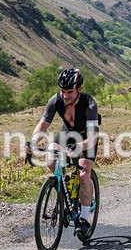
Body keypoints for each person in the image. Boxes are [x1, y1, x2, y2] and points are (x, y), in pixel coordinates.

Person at [26, 68, 100, 235]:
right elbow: (43, 125)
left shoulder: (90, 104)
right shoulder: (55, 100)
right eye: (62, 91)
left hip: (86, 138)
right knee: (51, 161)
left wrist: (79, 148)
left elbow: (93, 138)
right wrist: (33, 142)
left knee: (83, 175)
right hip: (67, 133)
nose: (65, 96)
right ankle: (66, 188)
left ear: (79, 90)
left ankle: (84, 217)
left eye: (69, 92)